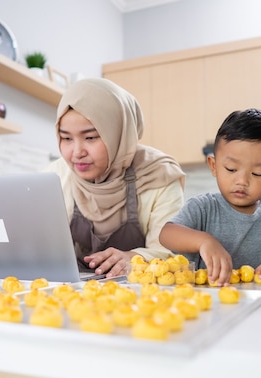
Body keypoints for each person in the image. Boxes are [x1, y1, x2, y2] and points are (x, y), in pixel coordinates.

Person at [44, 78, 185, 278]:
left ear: (120, 132)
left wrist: (134, 258)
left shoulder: (159, 175)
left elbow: (173, 254)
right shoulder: (55, 175)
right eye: (66, 138)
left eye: (90, 137)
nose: (77, 152)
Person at [159, 108, 261, 286]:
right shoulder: (203, 207)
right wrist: (204, 241)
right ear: (214, 166)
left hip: (257, 303)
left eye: (257, 173)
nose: (242, 181)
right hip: (206, 300)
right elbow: (166, 234)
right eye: (231, 169)